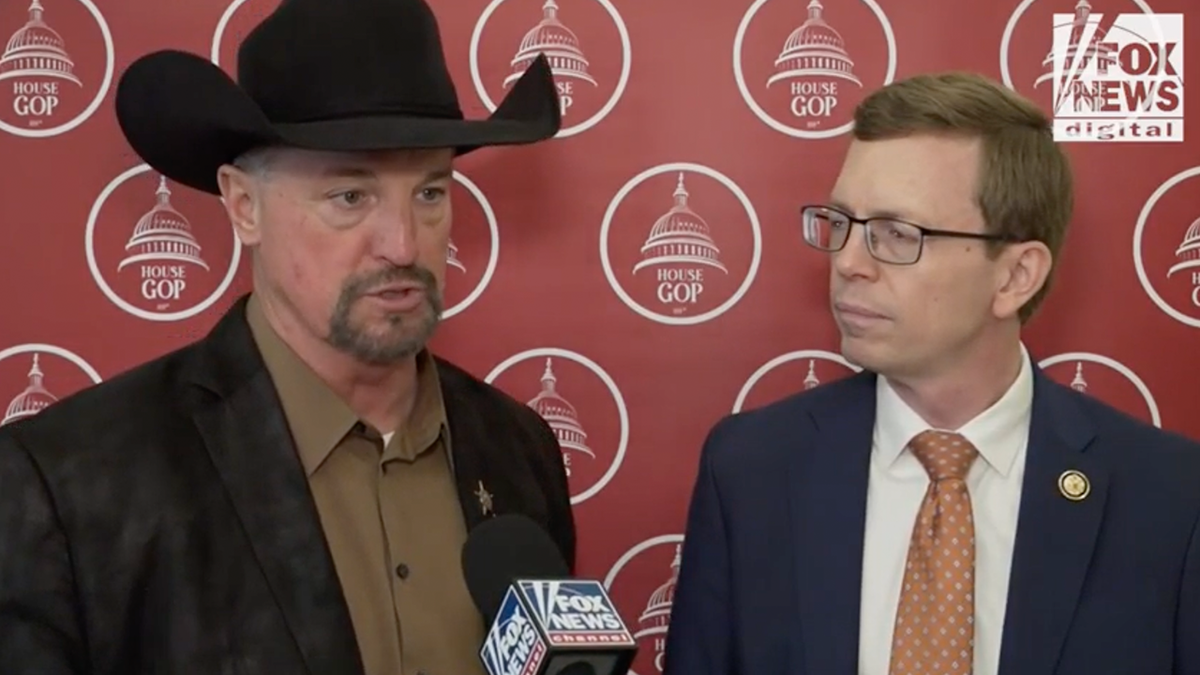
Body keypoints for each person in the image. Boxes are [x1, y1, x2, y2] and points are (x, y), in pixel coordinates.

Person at [0, 0, 575, 673]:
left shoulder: (520, 451)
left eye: (430, 192)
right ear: (244, 206)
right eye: (350, 197)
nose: (402, 243)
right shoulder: (71, 482)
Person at [663, 71, 1200, 675]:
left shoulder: (1171, 499)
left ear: (1016, 275)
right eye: (840, 223)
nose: (847, 262)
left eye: (897, 234)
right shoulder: (750, 471)